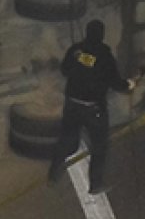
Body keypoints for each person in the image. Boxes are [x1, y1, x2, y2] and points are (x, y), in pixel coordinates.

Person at [48, 20, 137, 195]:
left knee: (66, 140)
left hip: (72, 105)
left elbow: (65, 69)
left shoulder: (75, 51)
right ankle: (95, 184)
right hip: (93, 109)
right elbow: (116, 83)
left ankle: (52, 175)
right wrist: (130, 84)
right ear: (101, 35)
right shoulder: (104, 56)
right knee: (99, 146)